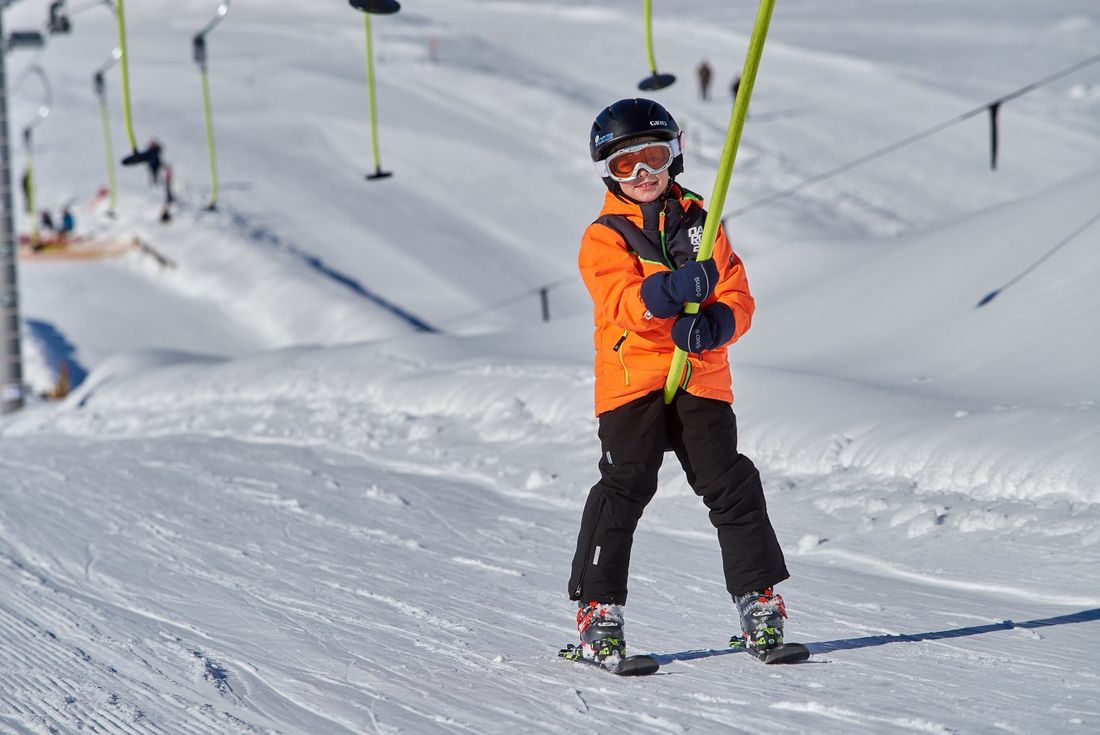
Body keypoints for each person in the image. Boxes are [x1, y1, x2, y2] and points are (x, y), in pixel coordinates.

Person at [568, 98, 791, 665]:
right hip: (632, 379)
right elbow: (620, 302)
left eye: (654, 157)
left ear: (676, 155)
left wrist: (717, 324)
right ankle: (598, 612)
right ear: (608, 174)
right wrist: (666, 294)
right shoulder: (604, 235)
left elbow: (737, 294)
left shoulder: (704, 222)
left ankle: (758, 601)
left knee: (731, 483)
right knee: (625, 486)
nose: (643, 174)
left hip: (699, 375)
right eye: (625, 165)